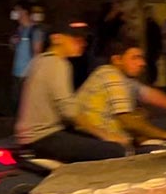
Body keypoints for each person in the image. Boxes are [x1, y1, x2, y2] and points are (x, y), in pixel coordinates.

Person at [15, 19, 127, 163]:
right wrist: (104, 134)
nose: (82, 43)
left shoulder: (38, 61)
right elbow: (69, 111)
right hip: (44, 137)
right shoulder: (58, 63)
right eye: (75, 39)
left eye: (83, 39)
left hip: (34, 136)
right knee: (115, 150)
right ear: (56, 39)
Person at [76, 38, 166, 149]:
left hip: (113, 135)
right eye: (135, 58)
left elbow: (148, 94)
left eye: (141, 58)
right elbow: (128, 122)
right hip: (100, 139)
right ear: (117, 60)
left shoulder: (121, 78)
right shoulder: (111, 76)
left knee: (163, 123)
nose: (142, 63)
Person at [10, 0, 45, 106]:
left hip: (28, 75)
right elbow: (15, 48)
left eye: (17, 11)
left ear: (24, 12)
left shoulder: (35, 31)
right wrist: (13, 42)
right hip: (17, 73)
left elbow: (37, 52)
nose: (15, 14)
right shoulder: (19, 30)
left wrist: (33, 75)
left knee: (27, 105)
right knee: (17, 104)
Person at [144, 6, 163, 85]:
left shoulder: (154, 25)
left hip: (153, 48)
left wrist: (159, 49)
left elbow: (158, 38)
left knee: (152, 64)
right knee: (149, 64)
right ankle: (150, 80)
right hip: (148, 48)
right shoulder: (145, 24)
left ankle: (153, 80)